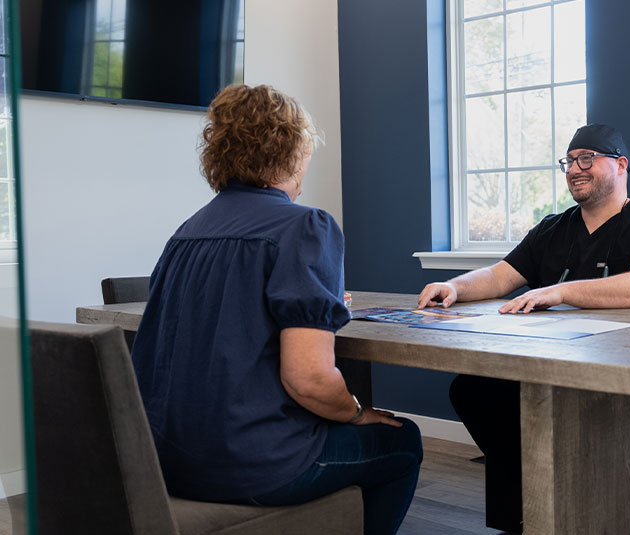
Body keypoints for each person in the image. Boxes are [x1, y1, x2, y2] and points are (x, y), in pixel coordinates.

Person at [131, 84, 422, 535]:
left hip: (162, 460)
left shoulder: (187, 232)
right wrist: (357, 411)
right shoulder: (306, 225)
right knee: (403, 439)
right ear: (292, 149)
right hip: (251, 465)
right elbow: (308, 379)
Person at [417, 123, 630, 533]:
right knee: (473, 389)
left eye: (587, 158)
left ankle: (574, 502)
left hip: (624, 370)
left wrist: (559, 292)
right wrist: (453, 286)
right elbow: (500, 275)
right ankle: (537, 503)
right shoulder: (552, 228)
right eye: (570, 161)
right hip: (548, 361)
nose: (575, 168)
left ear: (621, 164)